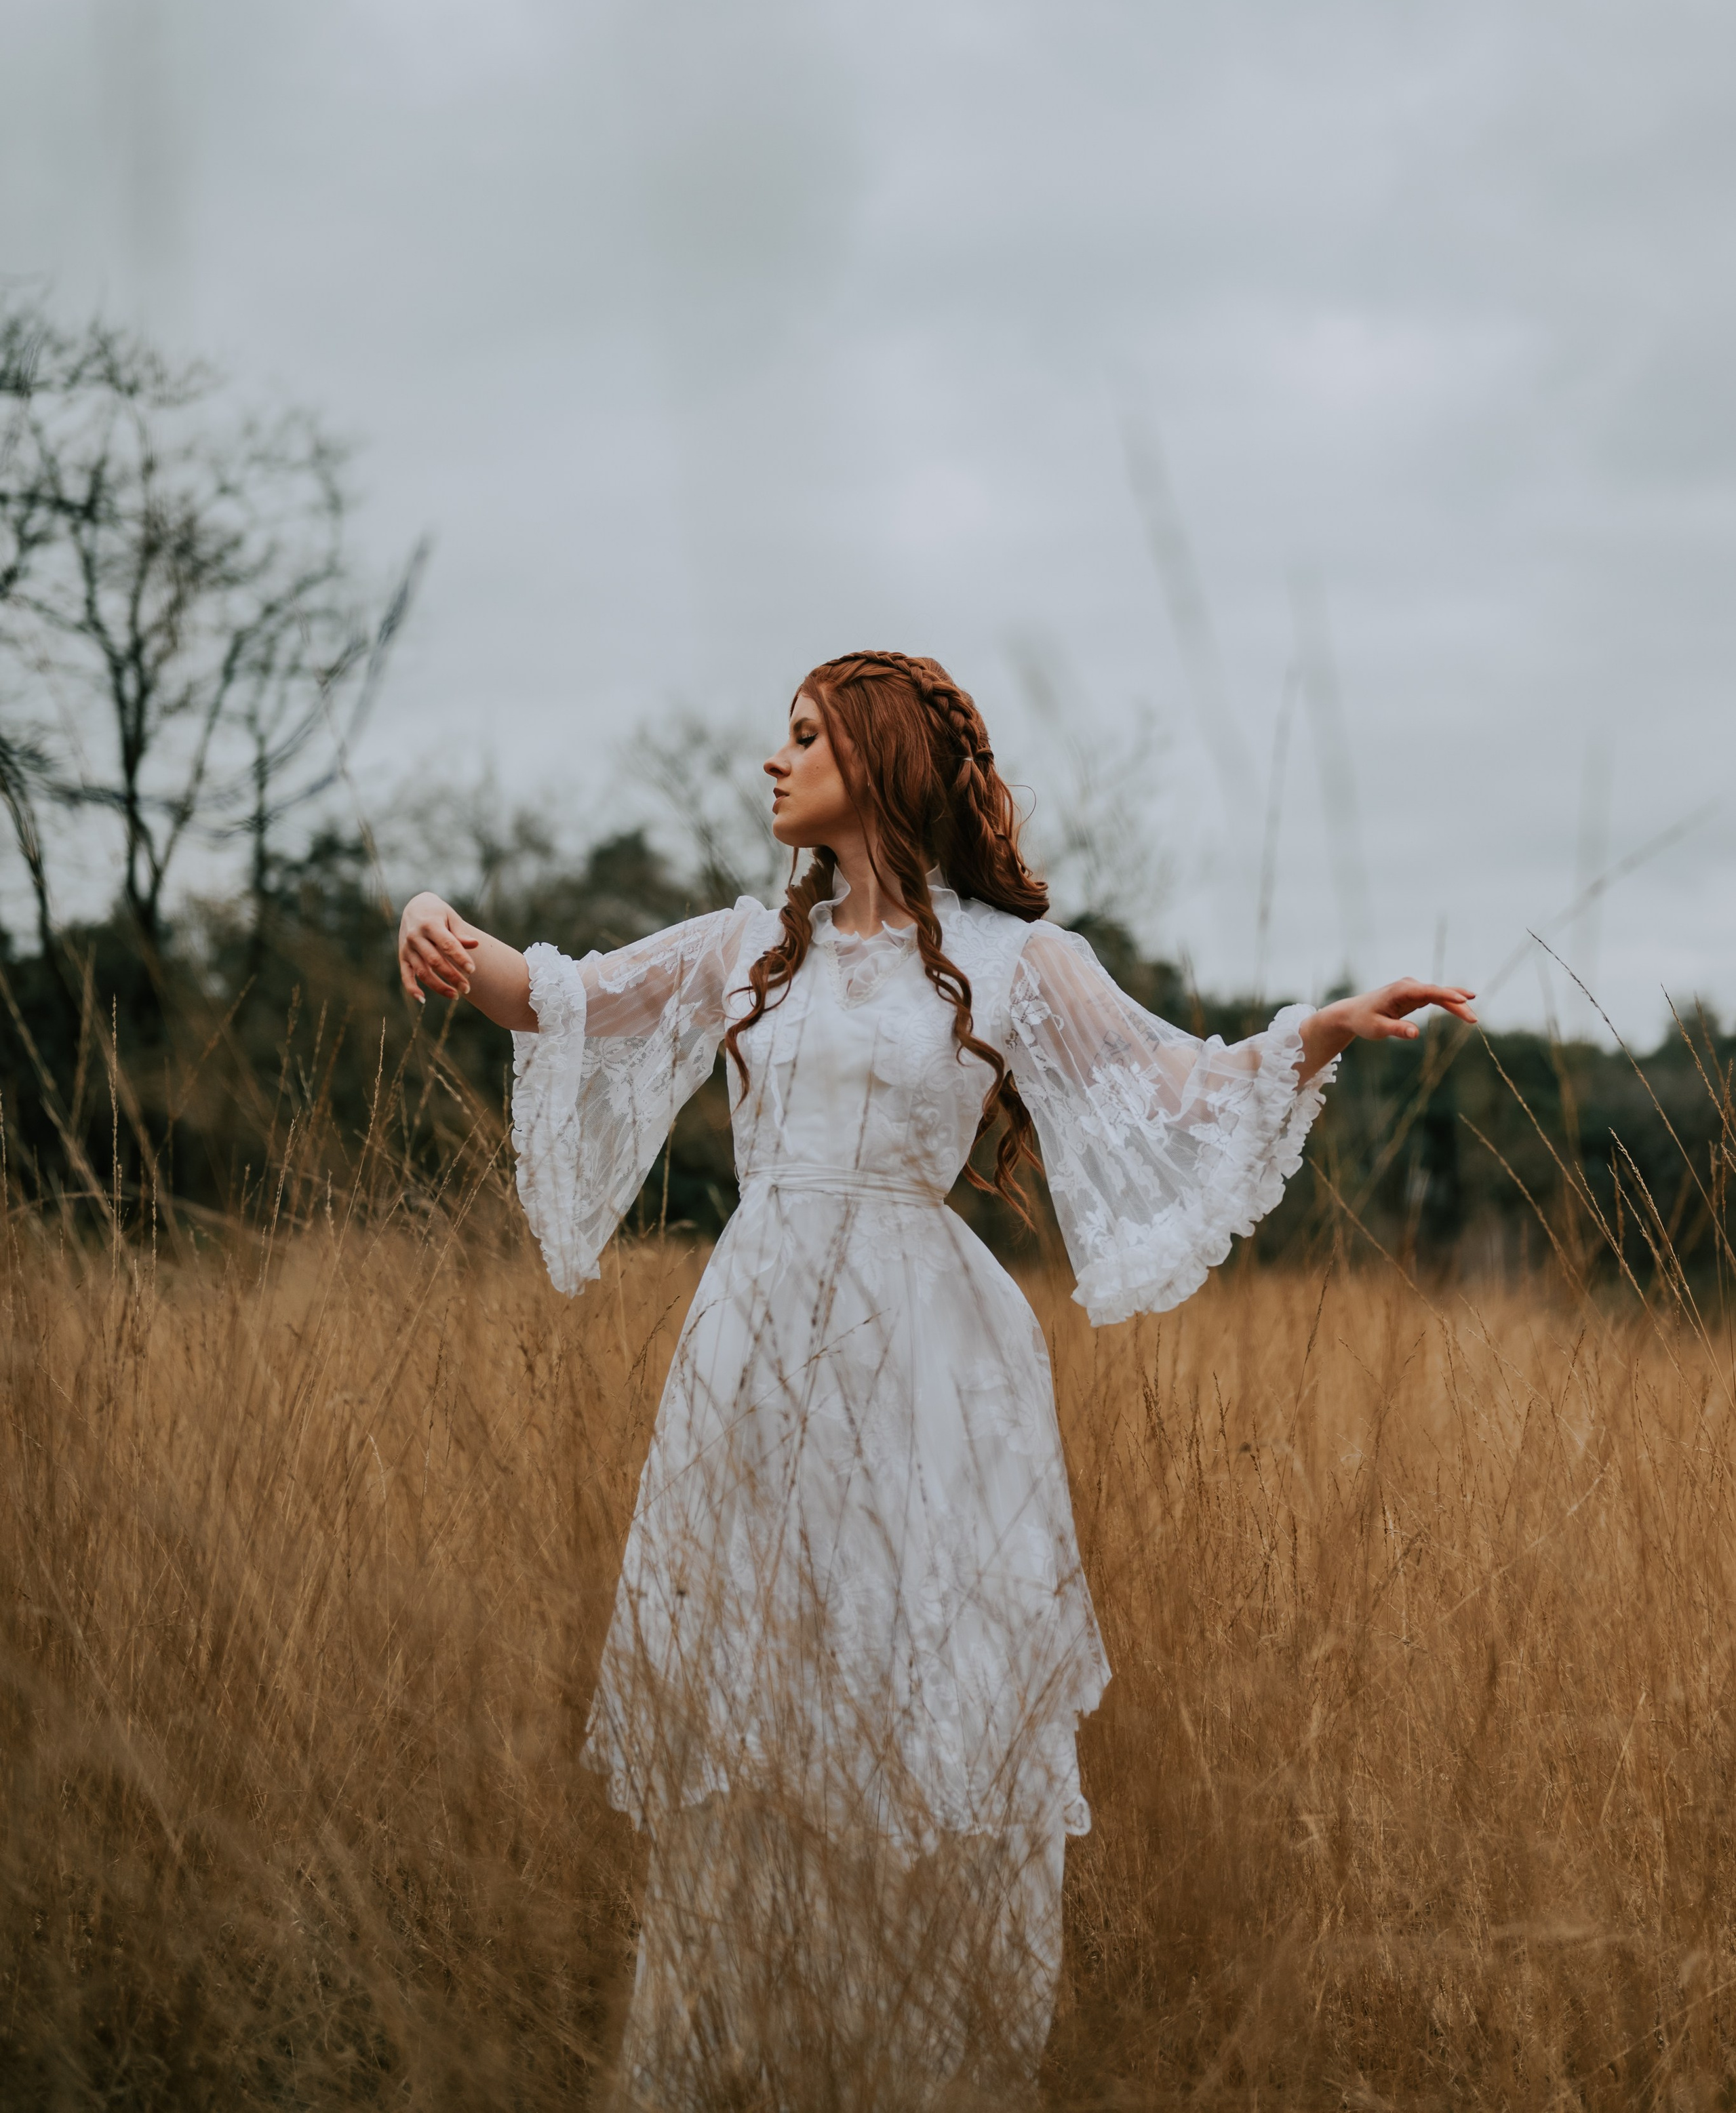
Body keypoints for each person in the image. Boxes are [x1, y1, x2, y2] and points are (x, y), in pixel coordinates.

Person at [398, 650, 1475, 2110]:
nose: (770, 765)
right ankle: (740, 2046)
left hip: (930, 1359)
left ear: (879, 759)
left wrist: (1312, 1035)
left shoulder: (1019, 962)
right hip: (755, 1346)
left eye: (801, 738)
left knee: (915, 1686)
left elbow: (1168, 1082)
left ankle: (913, 2054)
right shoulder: (741, 949)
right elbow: (565, 1000)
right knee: (758, 1690)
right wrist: (440, 929)